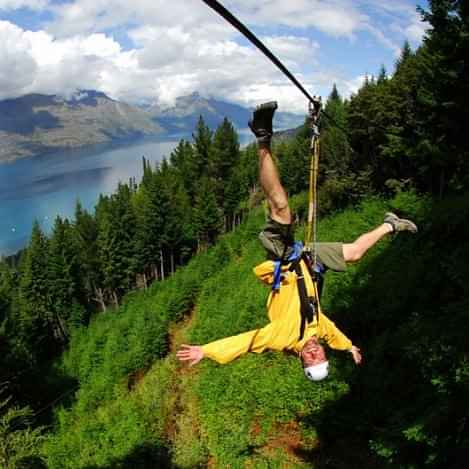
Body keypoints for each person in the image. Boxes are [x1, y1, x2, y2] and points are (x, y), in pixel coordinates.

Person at [177, 101, 417, 381]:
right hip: (309, 262)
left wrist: (206, 351)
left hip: (286, 260)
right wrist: (349, 347)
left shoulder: (281, 338)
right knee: (354, 253)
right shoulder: (320, 332)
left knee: (281, 208)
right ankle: (390, 223)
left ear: (301, 359)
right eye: (321, 356)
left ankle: (262, 139)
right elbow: (335, 334)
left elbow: (246, 342)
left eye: (311, 359)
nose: (315, 353)